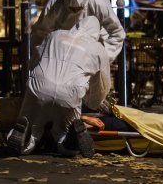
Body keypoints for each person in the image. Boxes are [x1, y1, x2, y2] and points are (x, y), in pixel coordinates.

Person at [7, 17, 111, 157]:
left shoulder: (55, 35)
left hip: (39, 86)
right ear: (96, 33)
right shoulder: (98, 49)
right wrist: (94, 102)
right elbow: (102, 85)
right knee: (63, 132)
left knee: (32, 124)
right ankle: (71, 140)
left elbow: (35, 59)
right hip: (70, 93)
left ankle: (26, 134)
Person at [31, 0, 125, 65]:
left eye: (79, 9)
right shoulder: (55, 0)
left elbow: (117, 32)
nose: (75, 12)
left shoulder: (99, 0)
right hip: (63, 50)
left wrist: (103, 57)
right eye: (72, 9)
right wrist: (40, 58)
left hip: (95, 46)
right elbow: (41, 31)